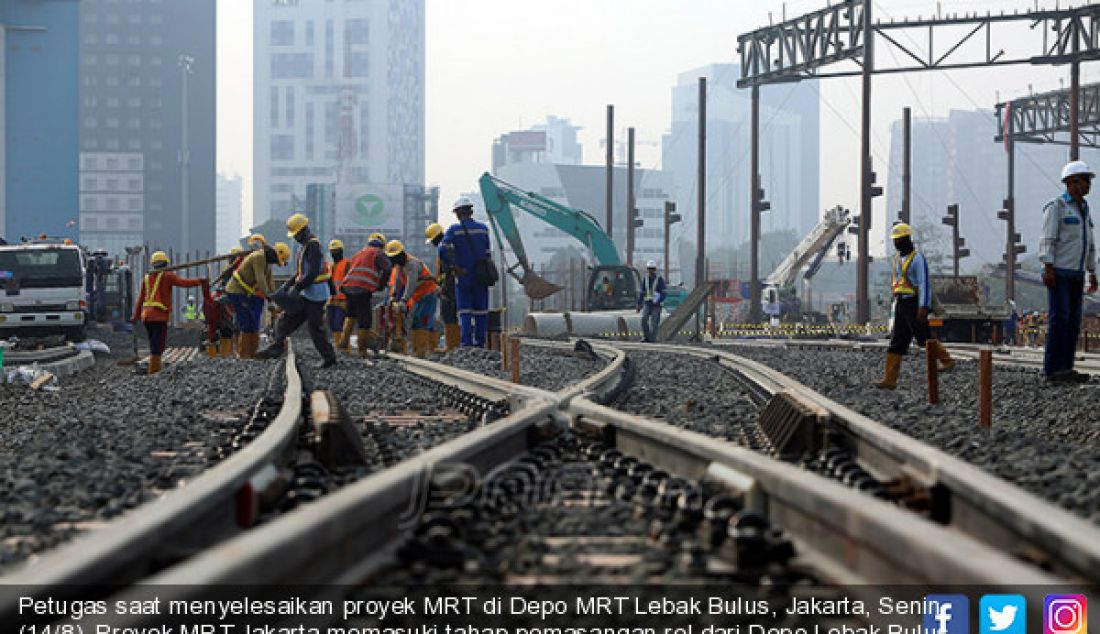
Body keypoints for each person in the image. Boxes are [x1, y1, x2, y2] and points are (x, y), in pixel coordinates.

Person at [875, 223, 954, 389]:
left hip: (913, 303)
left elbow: (924, 284)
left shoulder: (917, 258)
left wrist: (923, 306)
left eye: (899, 240)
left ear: (907, 239)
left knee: (923, 337)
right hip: (901, 303)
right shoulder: (897, 259)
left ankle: (946, 359)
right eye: (895, 240)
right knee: (897, 341)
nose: (897, 243)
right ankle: (890, 379)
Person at [1039, 160, 1098, 383]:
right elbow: (1048, 239)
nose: (1088, 185)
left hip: (1076, 274)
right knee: (1059, 319)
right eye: (1085, 180)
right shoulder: (1057, 207)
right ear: (1072, 182)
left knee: (1073, 321)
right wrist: (1048, 267)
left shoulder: (1084, 209)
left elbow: (1089, 243)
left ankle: (1066, 367)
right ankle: (1052, 369)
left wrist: (1092, 271)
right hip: (1060, 273)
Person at [257, 213, 338, 368]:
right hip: (307, 293)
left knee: (315, 327)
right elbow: (301, 272)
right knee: (287, 319)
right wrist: (288, 285)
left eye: (296, 234)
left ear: (303, 231)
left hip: (316, 295)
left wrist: (297, 287)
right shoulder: (306, 247)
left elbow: (313, 272)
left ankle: (330, 359)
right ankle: (277, 346)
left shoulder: (313, 246)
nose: (295, 238)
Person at [131, 251, 204, 375]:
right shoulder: (167, 276)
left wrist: (135, 316)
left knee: (154, 342)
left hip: (146, 317)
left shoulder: (147, 278)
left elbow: (140, 299)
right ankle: (154, 372)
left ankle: (154, 368)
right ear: (165, 263)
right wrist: (199, 281)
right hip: (159, 316)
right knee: (158, 346)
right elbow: (183, 283)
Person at [440, 196, 492, 347]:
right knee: (481, 311)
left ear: (457, 213)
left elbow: (442, 250)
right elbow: (488, 253)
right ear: (471, 211)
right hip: (481, 275)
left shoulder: (454, 230)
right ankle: (480, 343)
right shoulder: (483, 229)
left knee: (465, 311)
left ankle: (466, 343)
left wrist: (453, 266)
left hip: (463, 275)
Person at [227, 241, 289, 358]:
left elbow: (269, 280)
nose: (275, 263)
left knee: (252, 322)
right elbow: (260, 279)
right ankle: (244, 354)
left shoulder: (267, 262)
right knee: (245, 320)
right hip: (236, 290)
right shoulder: (258, 257)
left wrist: (274, 298)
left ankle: (252, 352)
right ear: (273, 254)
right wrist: (268, 296)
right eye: (276, 261)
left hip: (245, 292)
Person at [339, 232, 391, 357]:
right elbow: (388, 268)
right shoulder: (378, 253)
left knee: (350, 314)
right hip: (362, 288)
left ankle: (343, 345)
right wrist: (381, 285)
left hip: (348, 287)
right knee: (365, 319)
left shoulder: (359, 253)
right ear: (382, 245)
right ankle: (362, 350)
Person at [384, 240, 439, 357]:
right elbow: (398, 281)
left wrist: (404, 300)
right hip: (419, 296)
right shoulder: (400, 265)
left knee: (422, 320)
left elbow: (411, 283)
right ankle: (417, 350)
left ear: (401, 254)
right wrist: (394, 295)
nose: (393, 260)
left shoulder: (411, 264)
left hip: (428, 293)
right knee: (415, 321)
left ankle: (424, 351)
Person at [426, 222, 460, 352]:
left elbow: (447, 271)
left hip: (449, 288)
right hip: (450, 286)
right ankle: (453, 345)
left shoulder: (444, 248)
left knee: (448, 314)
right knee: (450, 314)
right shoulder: (449, 246)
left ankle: (451, 346)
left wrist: (443, 287)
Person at [326, 239, 350, 350]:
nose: (334, 254)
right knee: (332, 325)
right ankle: (338, 346)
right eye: (332, 251)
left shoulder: (347, 264)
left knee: (339, 323)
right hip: (331, 300)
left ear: (341, 251)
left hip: (343, 300)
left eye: (336, 251)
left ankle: (344, 347)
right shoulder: (330, 266)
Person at [637, 260, 666, 343]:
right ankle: (646, 337)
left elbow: (663, 293)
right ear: (647, 269)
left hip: (656, 304)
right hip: (647, 303)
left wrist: (659, 300)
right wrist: (639, 304)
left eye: (652, 269)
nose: (651, 270)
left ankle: (652, 339)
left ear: (655, 269)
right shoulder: (645, 279)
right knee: (643, 319)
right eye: (649, 269)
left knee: (654, 322)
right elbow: (642, 292)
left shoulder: (659, 279)